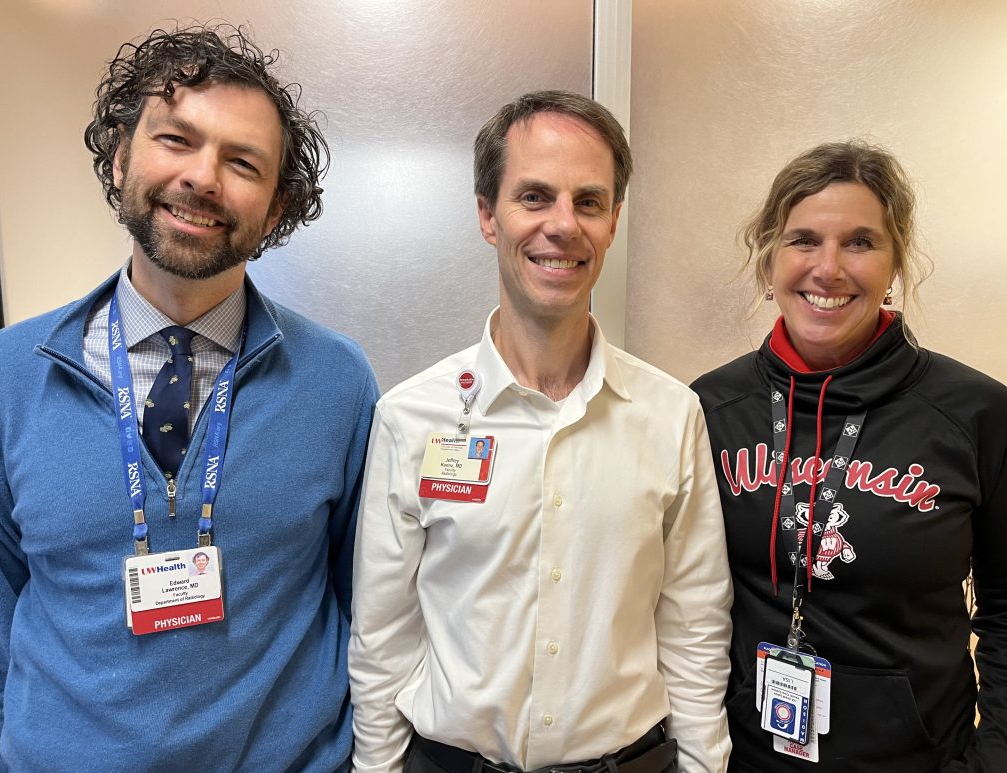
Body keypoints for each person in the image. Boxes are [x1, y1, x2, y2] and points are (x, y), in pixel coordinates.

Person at [0, 24, 378, 772]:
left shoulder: (338, 382)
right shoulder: (7, 375)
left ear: (277, 206)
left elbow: (367, 609)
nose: (203, 177)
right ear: (123, 153)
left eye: (243, 162)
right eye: (176, 140)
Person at [349, 91, 733, 773]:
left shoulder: (671, 415)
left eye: (588, 202)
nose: (563, 225)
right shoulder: (412, 417)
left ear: (614, 221)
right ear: (486, 215)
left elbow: (694, 624)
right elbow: (384, 635)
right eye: (534, 196)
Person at [691, 141, 1007, 772]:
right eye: (802, 239)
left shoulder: (975, 415)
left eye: (860, 242)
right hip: (743, 759)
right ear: (770, 257)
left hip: (918, 759)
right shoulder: (709, 410)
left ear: (895, 263)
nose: (828, 268)